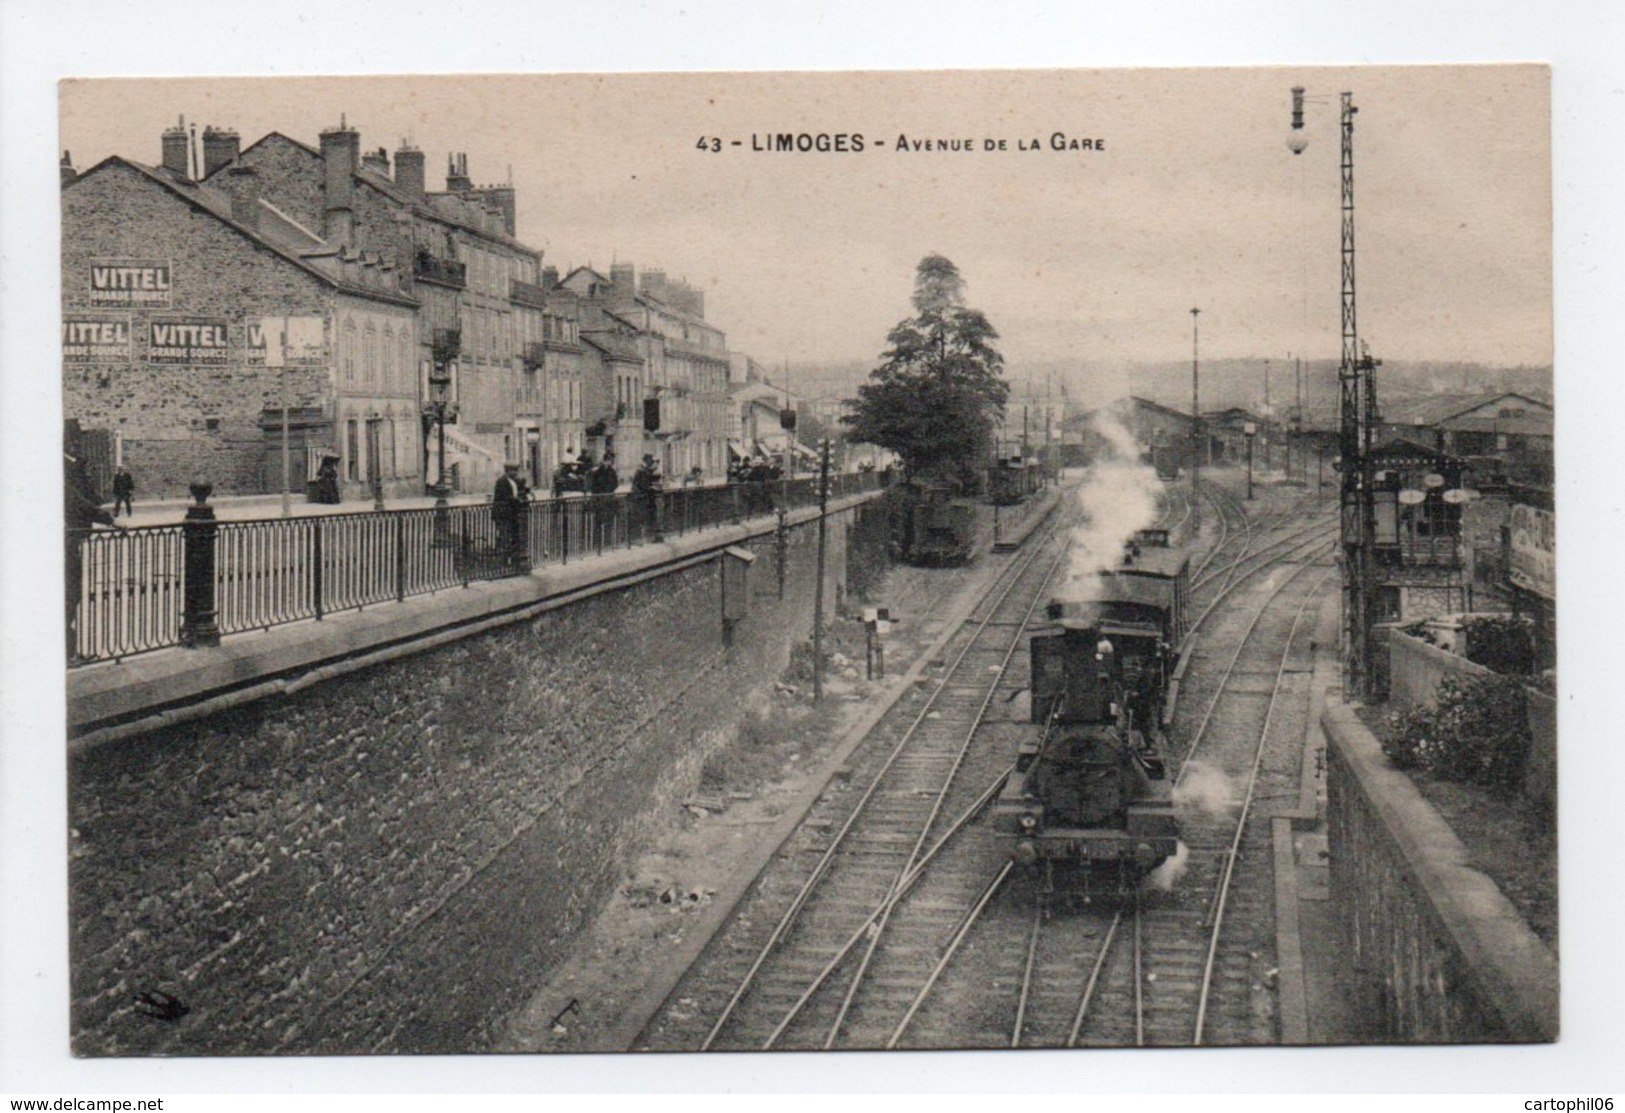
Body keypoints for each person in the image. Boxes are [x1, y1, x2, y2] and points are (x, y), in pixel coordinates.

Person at [65, 452, 119, 661]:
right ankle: (67, 655)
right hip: (65, 545)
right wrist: (111, 521)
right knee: (69, 597)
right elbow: (80, 503)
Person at [492, 463, 528, 569]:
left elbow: (517, 492)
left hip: (511, 514)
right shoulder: (501, 481)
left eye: (516, 470)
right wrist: (518, 500)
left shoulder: (514, 480)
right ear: (507, 471)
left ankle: (514, 561)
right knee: (504, 537)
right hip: (502, 514)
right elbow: (506, 496)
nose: (515, 473)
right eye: (513, 471)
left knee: (514, 537)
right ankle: (501, 564)